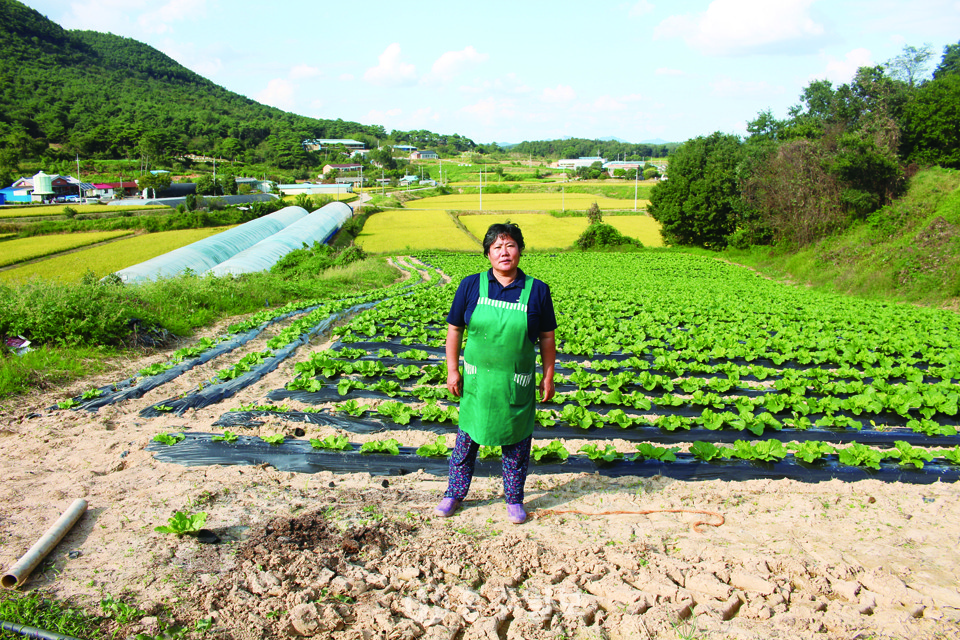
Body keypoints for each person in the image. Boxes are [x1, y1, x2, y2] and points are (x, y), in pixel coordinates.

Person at [435, 222, 557, 524]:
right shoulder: (471, 285)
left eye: (511, 245)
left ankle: (514, 500)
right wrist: (452, 370)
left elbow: (546, 337)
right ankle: (454, 494)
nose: (505, 252)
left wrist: (548, 376)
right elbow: (454, 329)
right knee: (465, 443)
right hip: (478, 383)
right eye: (497, 247)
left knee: (516, 445)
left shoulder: (537, 290)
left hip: (516, 383)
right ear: (488, 254)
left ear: (520, 250)